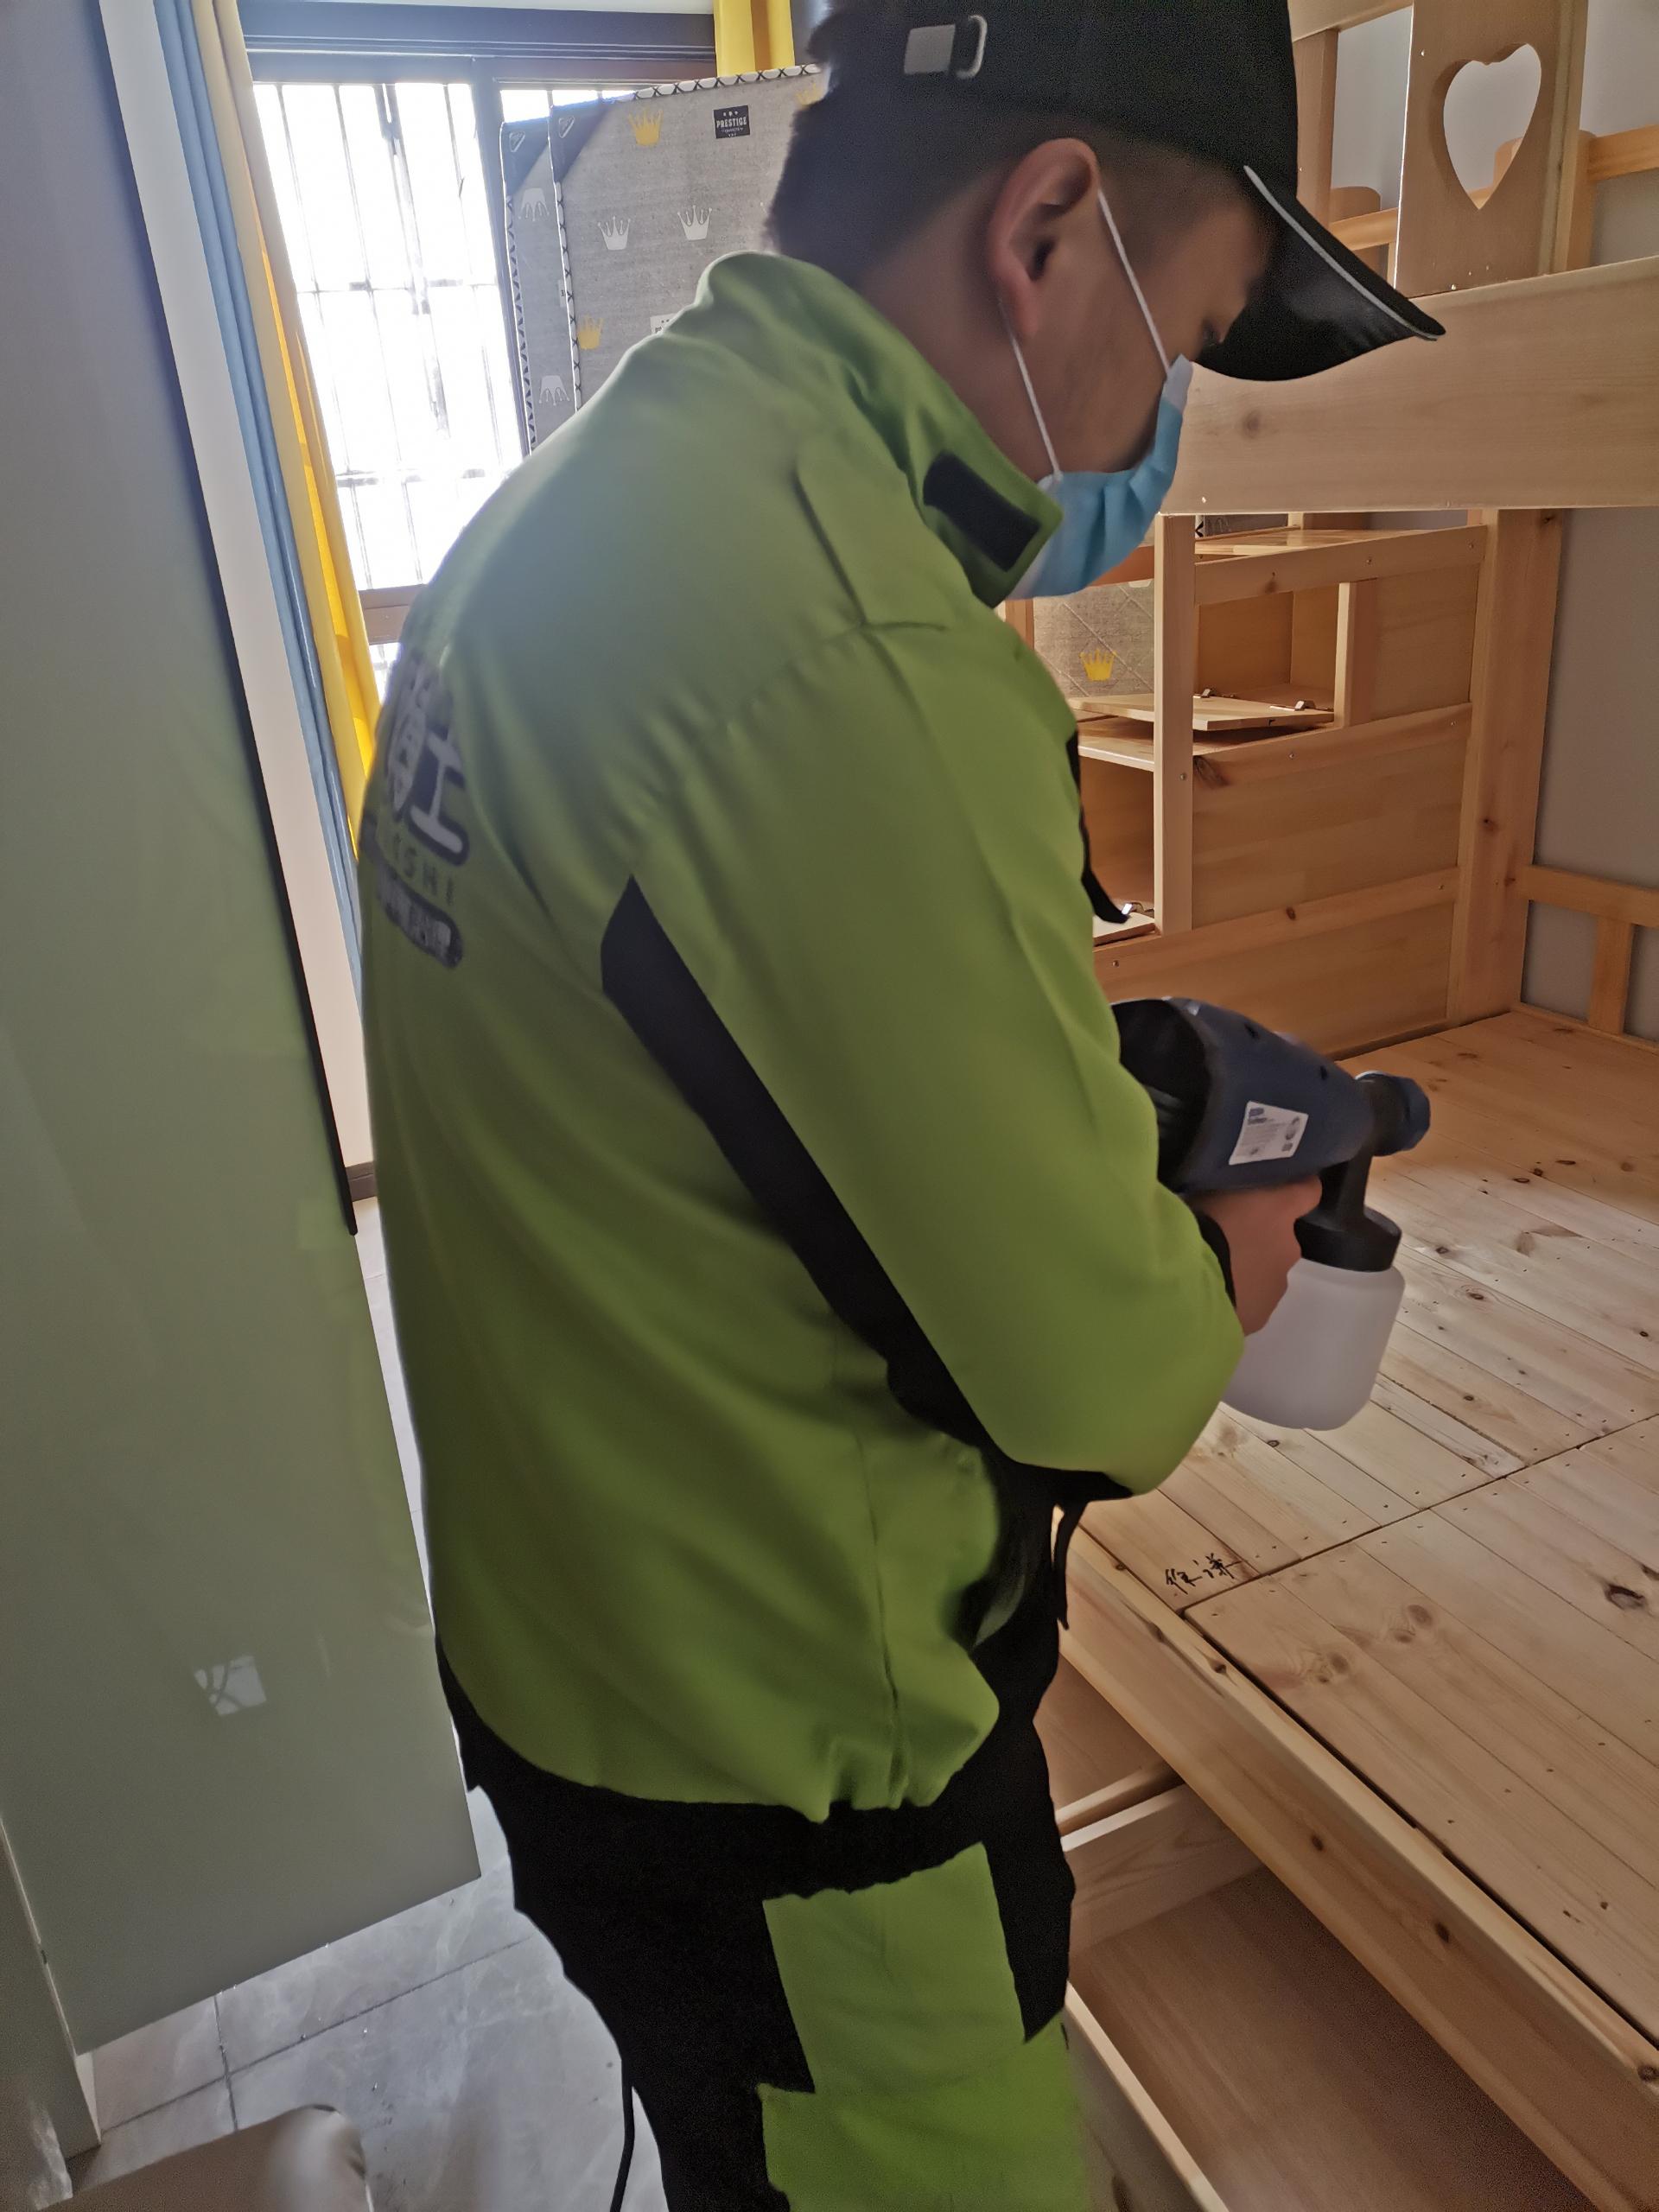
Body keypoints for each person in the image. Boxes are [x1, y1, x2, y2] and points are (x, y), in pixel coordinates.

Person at [358, 3, 1441, 2205]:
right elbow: (1094, 1379)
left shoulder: (591, 501)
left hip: (578, 1656)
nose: (1158, 433)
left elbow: (718, 1070)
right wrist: (1228, 1245)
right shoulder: (847, 647)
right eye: (1188, 341)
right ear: (1047, 232)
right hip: (789, 1781)